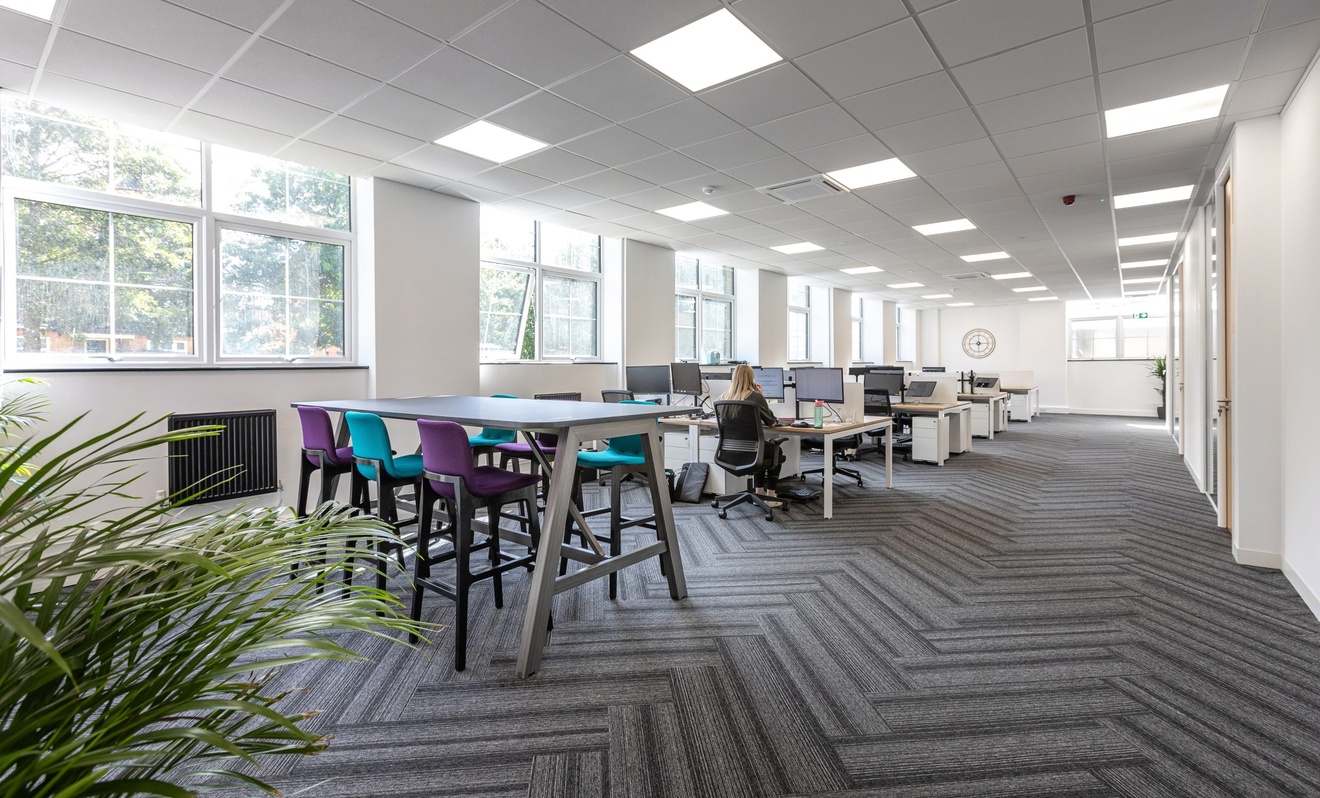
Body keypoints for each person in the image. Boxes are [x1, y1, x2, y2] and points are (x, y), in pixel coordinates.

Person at [719, 364, 784, 501]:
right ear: (751, 379)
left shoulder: (722, 398)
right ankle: (771, 496)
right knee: (775, 451)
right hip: (752, 452)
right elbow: (771, 422)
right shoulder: (756, 397)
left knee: (761, 448)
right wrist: (761, 395)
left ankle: (759, 491)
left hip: (729, 452)